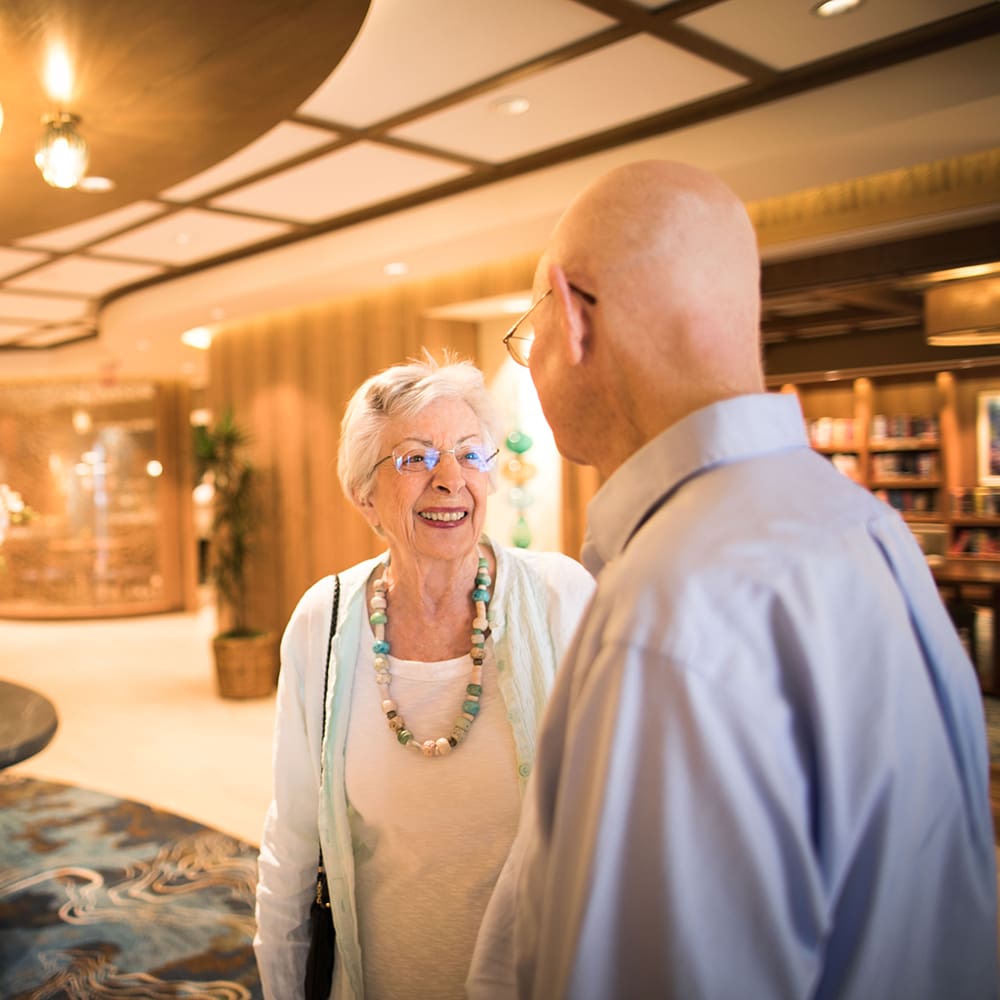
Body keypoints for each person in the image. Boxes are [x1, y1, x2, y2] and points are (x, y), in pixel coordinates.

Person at [468, 160, 999, 999]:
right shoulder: (869, 528)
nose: (530, 359)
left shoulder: (669, 609)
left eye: (529, 327)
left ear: (571, 316)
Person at [253, 355, 594, 1000]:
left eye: (470, 454)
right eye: (415, 458)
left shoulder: (561, 597)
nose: (450, 480)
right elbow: (292, 841)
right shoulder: (321, 622)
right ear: (364, 492)